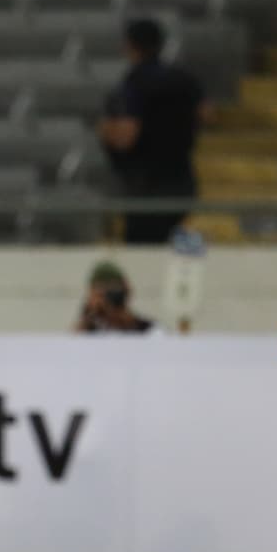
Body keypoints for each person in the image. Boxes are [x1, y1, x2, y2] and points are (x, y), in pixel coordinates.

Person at [97, 18, 205, 243]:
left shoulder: (134, 83)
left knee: (144, 255)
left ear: (130, 46)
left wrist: (105, 132)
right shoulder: (183, 78)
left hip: (147, 186)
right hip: (182, 180)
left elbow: (127, 135)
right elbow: (207, 113)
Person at [74, 261, 153, 333]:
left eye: (114, 292)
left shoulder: (148, 329)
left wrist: (124, 320)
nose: (109, 300)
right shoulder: (88, 328)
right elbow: (74, 340)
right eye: (102, 293)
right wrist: (90, 315)